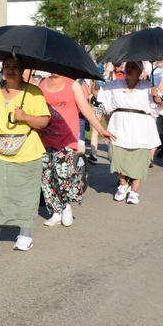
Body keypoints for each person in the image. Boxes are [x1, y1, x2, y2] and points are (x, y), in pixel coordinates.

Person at [0, 55, 50, 254]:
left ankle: (25, 235)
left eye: (16, 66)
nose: (11, 70)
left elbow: (44, 122)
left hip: (27, 150)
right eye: (7, 66)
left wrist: (25, 117)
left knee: (25, 192)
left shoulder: (34, 92)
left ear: (23, 70)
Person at [38, 73, 115, 227]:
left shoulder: (72, 84)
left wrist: (100, 129)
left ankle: (65, 205)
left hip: (66, 137)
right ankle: (55, 211)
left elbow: (85, 108)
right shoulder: (42, 83)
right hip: (44, 137)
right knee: (47, 176)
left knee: (62, 173)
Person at [98, 61, 163, 204]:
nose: (129, 70)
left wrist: (157, 97)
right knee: (114, 155)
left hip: (141, 127)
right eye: (127, 67)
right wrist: (94, 77)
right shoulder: (115, 85)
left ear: (140, 71)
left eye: (133, 67)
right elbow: (98, 94)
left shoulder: (148, 86)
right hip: (119, 125)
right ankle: (124, 184)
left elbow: (162, 106)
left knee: (139, 159)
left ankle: (134, 190)